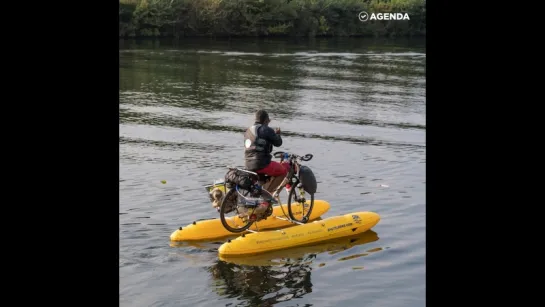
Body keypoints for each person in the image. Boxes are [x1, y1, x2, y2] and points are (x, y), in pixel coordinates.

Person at [243, 110, 290, 181]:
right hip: (262, 164)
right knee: (284, 171)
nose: (268, 123)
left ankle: (262, 190)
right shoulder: (266, 129)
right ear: (265, 120)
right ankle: (270, 192)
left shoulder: (248, 131)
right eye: (268, 121)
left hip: (248, 165)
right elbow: (278, 143)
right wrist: (278, 134)